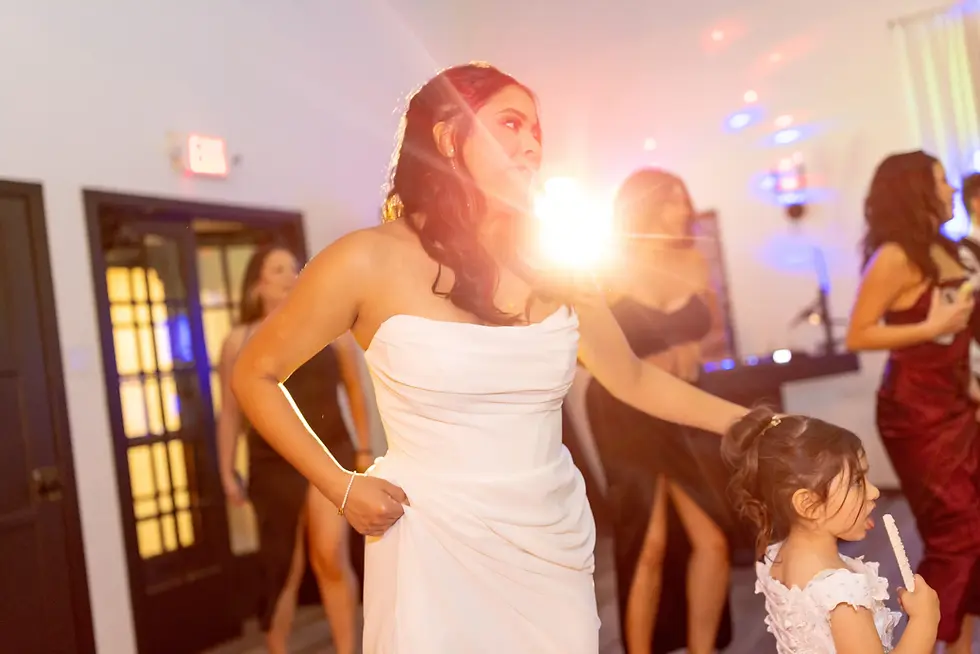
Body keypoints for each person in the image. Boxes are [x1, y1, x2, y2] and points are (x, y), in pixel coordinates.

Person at [231, 62, 747, 653]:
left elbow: (630, 377)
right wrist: (340, 486)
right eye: (511, 123)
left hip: (550, 538)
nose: (531, 144)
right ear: (451, 138)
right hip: (435, 541)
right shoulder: (364, 261)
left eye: (537, 132)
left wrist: (748, 422)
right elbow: (256, 373)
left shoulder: (556, 267)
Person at [582, 168, 733, 654]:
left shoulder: (692, 261)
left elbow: (704, 332)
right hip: (625, 412)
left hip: (683, 409)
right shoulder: (606, 267)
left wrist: (690, 354)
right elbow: (583, 346)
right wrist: (646, 362)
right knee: (649, 544)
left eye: (683, 199)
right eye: (669, 200)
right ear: (643, 207)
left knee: (713, 540)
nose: (682, 209)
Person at [846, 150, 980, 652]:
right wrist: (932, 326)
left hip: (955, 403)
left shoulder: (943, 248)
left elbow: (959, 337)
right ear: (915, 189)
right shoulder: (895, 255)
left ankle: (959, 646)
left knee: (972, 533)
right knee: (958, 533)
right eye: (942, 181)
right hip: (915, 412)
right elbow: (858, 334)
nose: (951, 191)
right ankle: (920, 642)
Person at [216, 245, 372, 654]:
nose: (289, 275)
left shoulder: (332, 326)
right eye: (277, 269)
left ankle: (347, 649)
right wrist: (225, 470)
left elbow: (355, 391)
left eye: (292, 267)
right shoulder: (238, 340)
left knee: (329, 553)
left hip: (332, 449)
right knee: (283, 564)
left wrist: (364, 450)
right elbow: (230, 413)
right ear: (258, 284)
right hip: (272, 460)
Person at [722, 407, 940, 653]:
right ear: (809, 505)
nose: (875, 492)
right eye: (857, 482)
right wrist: (925, 621)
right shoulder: (842, 596)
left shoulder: (776, 556)